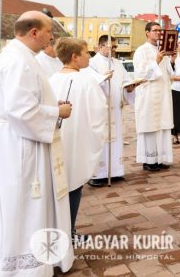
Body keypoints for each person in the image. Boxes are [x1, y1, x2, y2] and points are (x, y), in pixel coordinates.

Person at [0, 11, 74, 275]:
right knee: (26, 203)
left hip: (20, 139)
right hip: (23, 145)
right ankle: (26, 267)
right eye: (49, 31)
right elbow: (21, 111)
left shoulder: (20, 56)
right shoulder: (20, 62)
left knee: (25, 202)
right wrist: (57, 112)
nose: (52, 36)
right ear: (34, 32)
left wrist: (50, 105)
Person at [50, 38, 107, 239]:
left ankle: (55, 230)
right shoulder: (87, 80)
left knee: (55, 186)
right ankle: (69, 232)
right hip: (77, 141)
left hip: (54, 141)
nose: (89, 56)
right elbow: (99, 111)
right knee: (73, 183)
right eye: (86, 53)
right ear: (74, 57)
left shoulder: (51, 79)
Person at [87, 35, 138, 187]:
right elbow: (89, 84)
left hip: (115, 108)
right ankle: (98, 174)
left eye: (115, 47)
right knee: (100, 140)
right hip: (99, 109)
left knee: (115, 140)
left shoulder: (117, 63)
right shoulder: (91, 63)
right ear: (100, 46)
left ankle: (115, 171)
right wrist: (102, 78)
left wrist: (130, 87)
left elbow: (126, 81)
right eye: (111, 47)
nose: (113, 50)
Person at [133, 22, 174, 172]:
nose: (158, 33)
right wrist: (156, 61)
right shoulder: (141, 51)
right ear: (147, 33)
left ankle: (160, 159)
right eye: (155, 30)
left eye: (159, 31)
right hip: (149, 95)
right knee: (150, 126)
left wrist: (172, 59)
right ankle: (149, 160)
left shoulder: (162, 50)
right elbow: (141, 75)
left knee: (162, 126)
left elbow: (169, 73)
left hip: (163, 94)